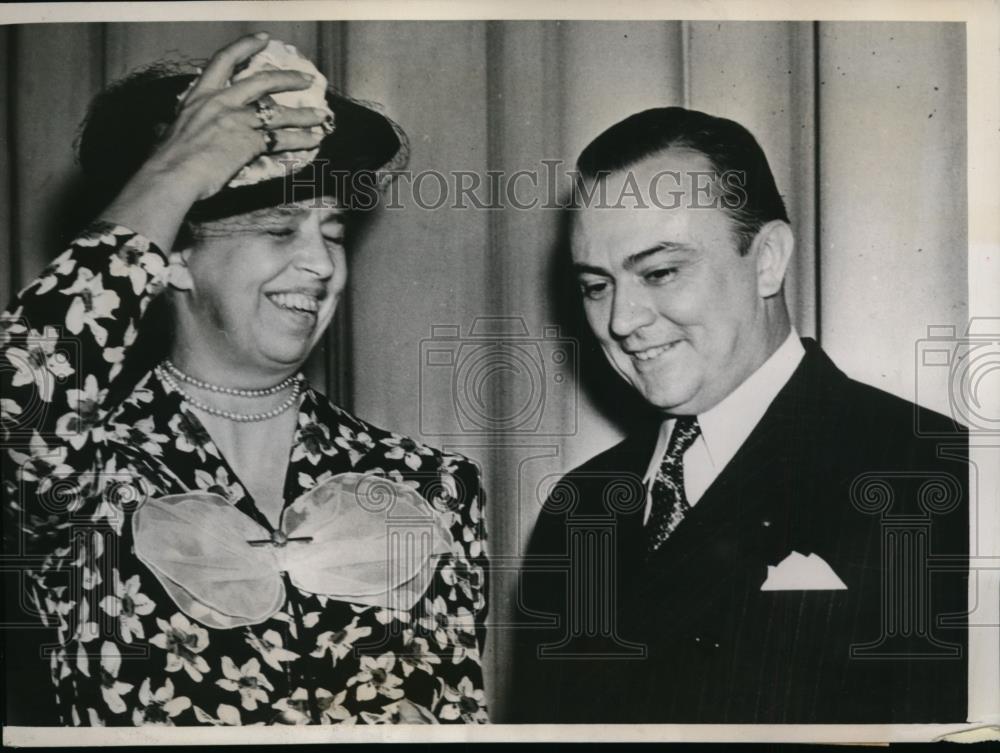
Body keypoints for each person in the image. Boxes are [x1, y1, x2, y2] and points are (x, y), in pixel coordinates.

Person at [1, 33, 488, 726]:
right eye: (280, 229)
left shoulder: (430, 484)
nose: (321, 265)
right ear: (169, 259)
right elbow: (24, 376)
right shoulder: (88, 484)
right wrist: (178, 170)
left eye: (335, 232)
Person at [509, 106, 968, 723]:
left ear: (769, 258)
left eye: (661, 272)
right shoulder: (577, 508)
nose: (621, 321)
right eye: (596, 285)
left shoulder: (933, 471)